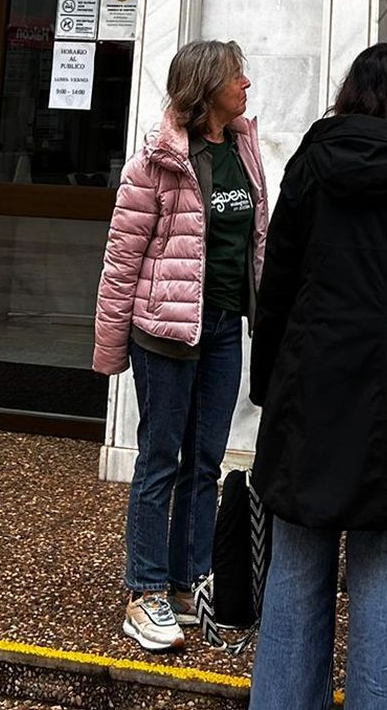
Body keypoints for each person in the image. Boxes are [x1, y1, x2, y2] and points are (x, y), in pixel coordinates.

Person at [248, 43, 387, 709]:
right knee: (380, 586)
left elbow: (278, 282)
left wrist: (270, 385)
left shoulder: (312, 164)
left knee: (294, 575)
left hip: (310, 392)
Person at [92, 40, 269, 653]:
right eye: (234, 76)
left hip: (223, 326)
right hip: (164, 331)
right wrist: (112, 347)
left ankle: (190, 579)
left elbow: (255, 240)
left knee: (206, 460)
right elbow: (122, 260)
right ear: (205, 87)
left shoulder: (242, 147)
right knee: (159, 458)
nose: (246, 83)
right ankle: (144, 593)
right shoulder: (156, 161)